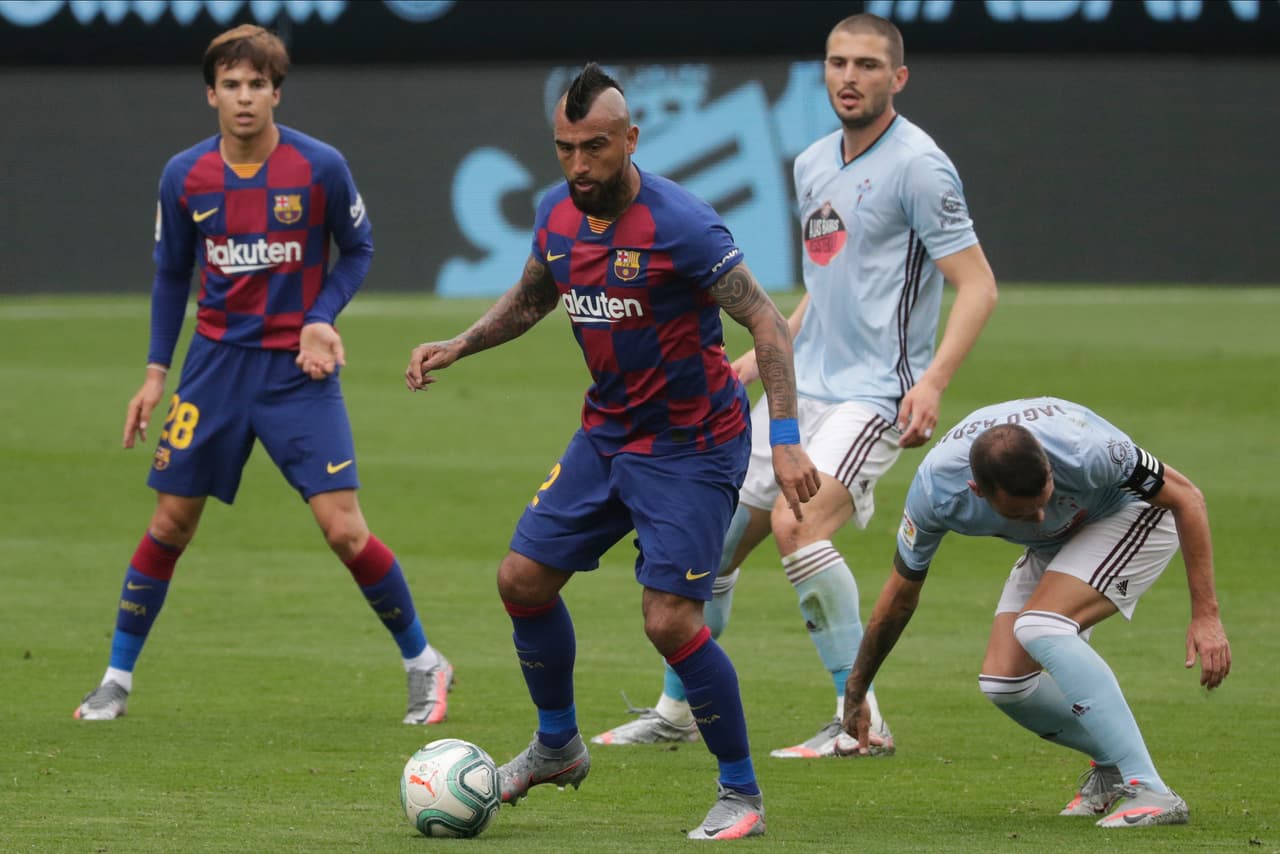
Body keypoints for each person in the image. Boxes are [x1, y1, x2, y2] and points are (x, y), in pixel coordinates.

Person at [404, 63, 820, 841]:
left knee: (668, 620)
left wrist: (788, 438)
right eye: (565, 148)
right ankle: (557, 744)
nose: (579, 166)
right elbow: (533, 298)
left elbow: (766, 322)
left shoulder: (684, 225)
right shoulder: (556, 216)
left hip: (693, 447)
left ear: (630, 139)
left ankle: (742, 795)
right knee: (521, 580)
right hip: (607, 435)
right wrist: (461, 343)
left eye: (595, 147)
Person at [591, 12, 998, 758]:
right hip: (800, 388)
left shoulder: (920, 166)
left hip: (874, 395)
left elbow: (977, 285)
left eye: (869, 65)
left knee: (797, 525)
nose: (850, 76)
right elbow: (826, 282)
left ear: (898, 78)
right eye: (838, 62)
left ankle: (859, 721)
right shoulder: (812, 161)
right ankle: (676, 714)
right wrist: (759, 358)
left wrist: (933, 381)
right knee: (704, 548)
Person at [74, 25, 452, 726]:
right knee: (170, 524)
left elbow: (359, 247)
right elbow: (169, 276)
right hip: (213, 369)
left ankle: (425, 664)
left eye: (257, 85)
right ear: (210, 94)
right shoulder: (184, 175)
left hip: (296, 373)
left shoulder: (320, 167)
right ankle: (116, 681)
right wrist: (156, 374)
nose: (244, 98)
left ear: (276, 92)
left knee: (344, 530)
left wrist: (321, 315)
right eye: (231, 85)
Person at [841, 397, 1231, 828]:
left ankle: (1150, 789)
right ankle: (1113, 769)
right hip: (1059, 542)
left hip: (1133, 514)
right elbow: (898, 599)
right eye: (1022, 513)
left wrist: (1206, 616)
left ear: (1048, 465)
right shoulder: (936, 493)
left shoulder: (1085, 449)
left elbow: (1187, 499)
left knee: (1041, 626)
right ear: (978, 492)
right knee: (1004, 682)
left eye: (1044, 497)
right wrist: (856, 691)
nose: (1040, 514)